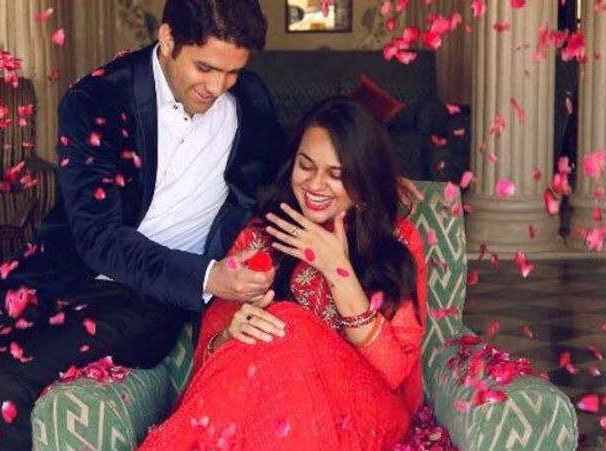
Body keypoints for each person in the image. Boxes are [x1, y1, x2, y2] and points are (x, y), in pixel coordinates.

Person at [0, 1, 282, 450]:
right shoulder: (97, 99)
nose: (217, 87)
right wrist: (209, 277)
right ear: (167, 40)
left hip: (147, 296)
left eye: (232, 72)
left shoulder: (250, 101)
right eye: (205, 68)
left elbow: (282, 177)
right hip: (60, 274)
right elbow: (98, 237)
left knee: (1, 385)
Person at [138, 97, 428, 450]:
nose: (315, 185)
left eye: (337, 175)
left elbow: (394, 371)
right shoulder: (260, 237)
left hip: (367, 415)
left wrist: (337, 270)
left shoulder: (395, 241)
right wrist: (231, 333)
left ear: (363, 180)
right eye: (306, 166)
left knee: (286, 322)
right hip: (273, 420)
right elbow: (211, 361)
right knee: (272, 335)